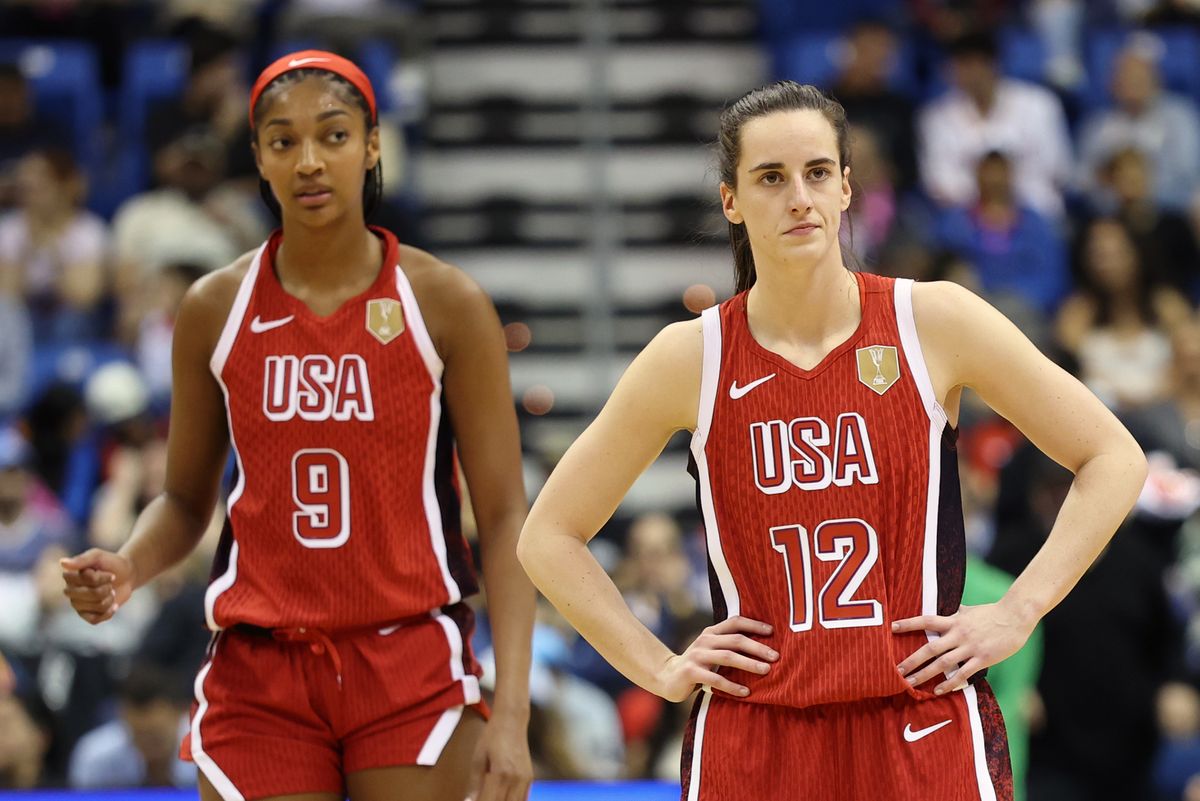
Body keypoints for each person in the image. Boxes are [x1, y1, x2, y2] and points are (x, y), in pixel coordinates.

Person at [517, 80, 1147, 800]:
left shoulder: (931, 320)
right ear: (731, 200)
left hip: (918, 718)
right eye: (770, 177)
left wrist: (1018, 610)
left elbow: (1113, 456)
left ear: (847, 188)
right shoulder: (691, 357)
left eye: (817, 173)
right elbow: (549, 536)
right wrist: (659, 667)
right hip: (756, 730)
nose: (798, 197)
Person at [60, 51, 534, 801]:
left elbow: (507, 515)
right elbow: (185, 501)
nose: (309, 161)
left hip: (407, 653)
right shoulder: (216, 308)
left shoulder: (445, 302)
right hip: (260, 666)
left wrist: (512, 713)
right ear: (258, 158)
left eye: (334, 136)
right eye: (283, 141)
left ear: (372, 145)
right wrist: (129, 565)